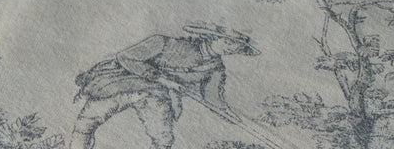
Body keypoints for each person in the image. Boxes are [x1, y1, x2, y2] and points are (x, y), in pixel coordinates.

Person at [70, 24, 259, 149]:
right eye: (227, 41)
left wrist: (229, 114)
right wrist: (161, 78)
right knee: (86, 124)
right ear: (211, 37)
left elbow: (212, 97)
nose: (230, 47)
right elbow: (125, 57)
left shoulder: (216, 69)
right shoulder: (165, 42)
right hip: (120, 84)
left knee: (163, 140)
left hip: (155, 95)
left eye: (236, 46)